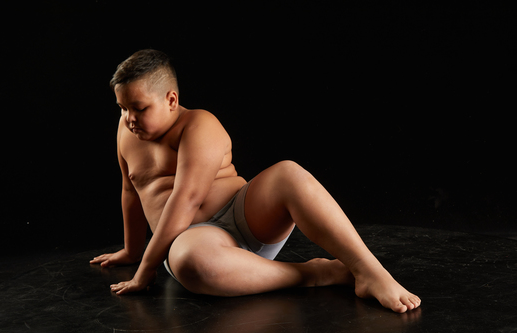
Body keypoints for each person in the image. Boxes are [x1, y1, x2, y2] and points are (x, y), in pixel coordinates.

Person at [90, 49, 421, 313]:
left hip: (245, 217)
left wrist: (146, 269)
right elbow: (129, 190)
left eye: (139, 108)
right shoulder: (125, 132)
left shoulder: (198, 125)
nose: (130, 119)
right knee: (191, 262)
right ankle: (318, 273)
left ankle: (370, 271)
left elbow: (186, 198)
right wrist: (133, 251)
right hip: (192, 241)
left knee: (289, 172)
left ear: (171, 100)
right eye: (122, 109)